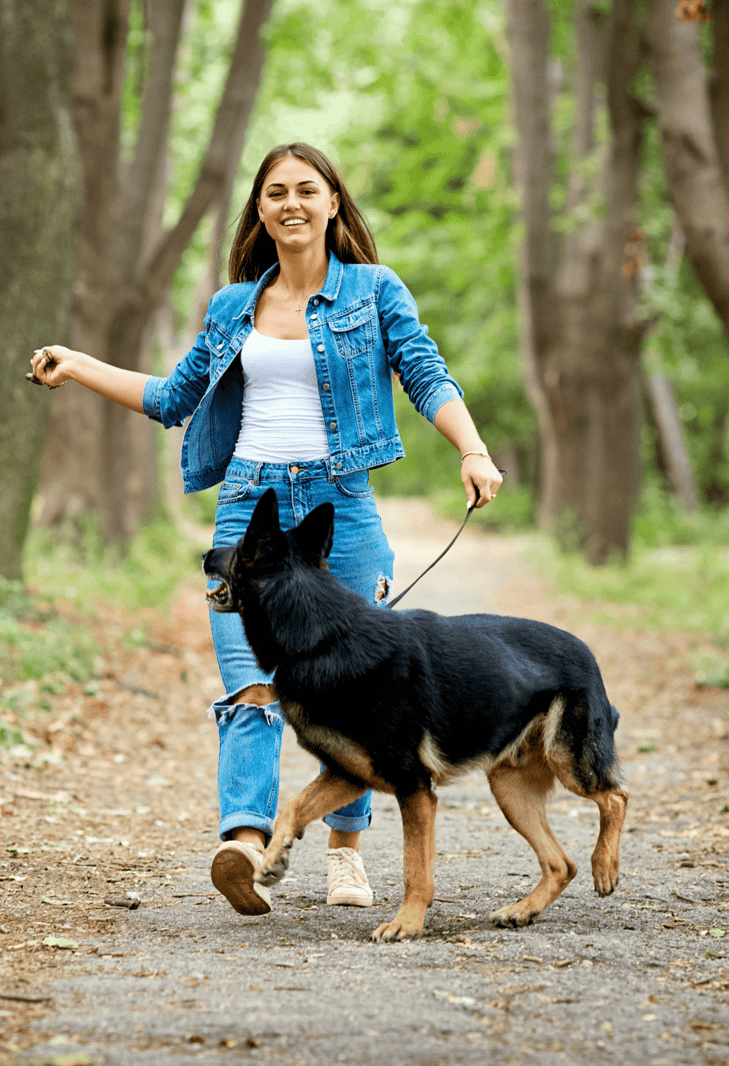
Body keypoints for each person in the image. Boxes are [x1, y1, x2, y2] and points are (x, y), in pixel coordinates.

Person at [29, 142, 503, 918]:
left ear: (333, 204)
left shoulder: (376, 291)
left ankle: (345, 853)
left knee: (361, 694)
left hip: (339, 511)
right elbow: (172, 399)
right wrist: (79, 364)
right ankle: (247, 845)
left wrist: (473, 449)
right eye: (275, 191)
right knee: (252, 686)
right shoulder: (231, 306)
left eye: (306, 190)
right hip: (248, 511)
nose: (290, 202)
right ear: (259, 210)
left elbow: (424, 371)